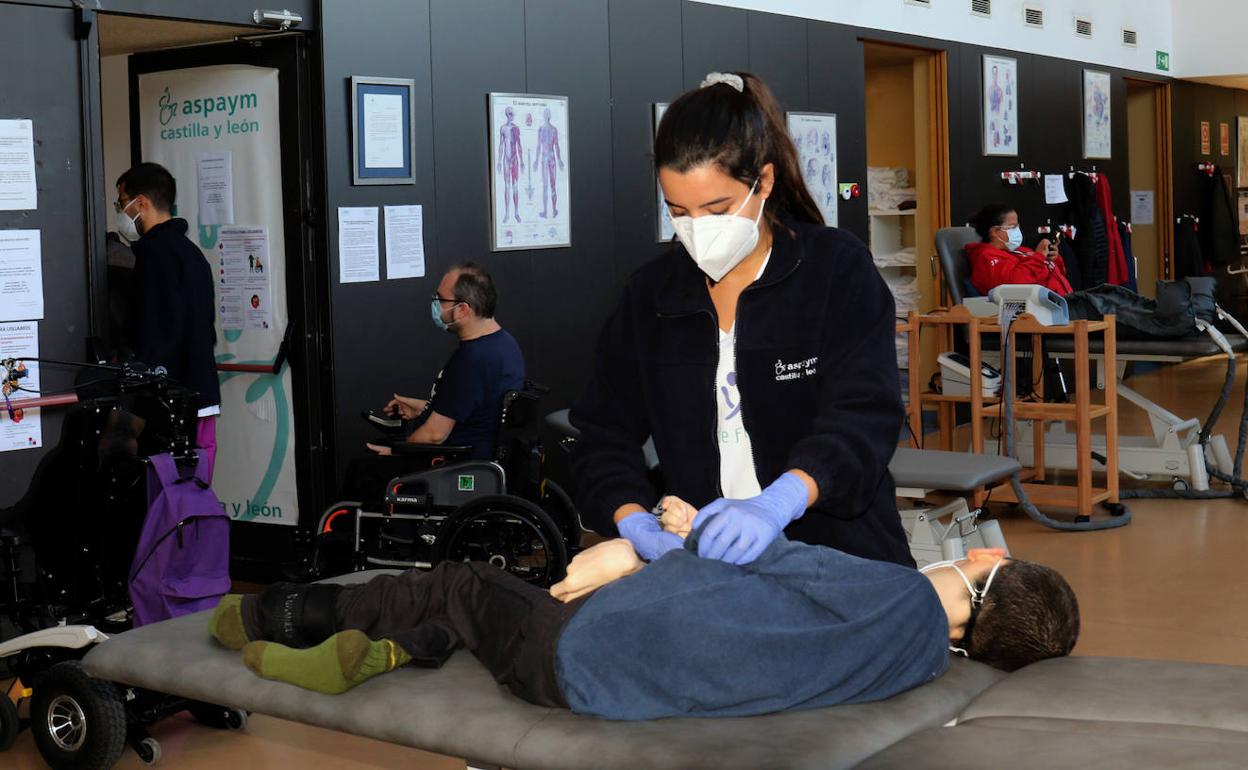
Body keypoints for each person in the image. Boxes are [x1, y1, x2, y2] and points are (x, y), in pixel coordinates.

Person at [207, 506, 1079, 719]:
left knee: (464, 583)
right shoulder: (921, 665)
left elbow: (760, 548)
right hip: (604, 688)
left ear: (989, 561)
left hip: (590, 650)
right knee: (485, 624)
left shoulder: (895, 590)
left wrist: (666, 533)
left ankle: (276, 614)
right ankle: (379, 656)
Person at [570, 71, 912, 568]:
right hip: (708, 564)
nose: (697, 229)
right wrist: (632, 519)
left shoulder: (833, 270)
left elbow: (863, 416)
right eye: (678, 211)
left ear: (764, 181)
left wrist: (779, 502)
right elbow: (603, 433)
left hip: (838, 555)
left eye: (717, 209)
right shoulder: (653, 296)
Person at [116, 162, 221, 476]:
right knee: (194, 486)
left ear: (141, 203)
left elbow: (154, 330)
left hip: (170, 400)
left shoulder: (153, 255)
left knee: (165, 488)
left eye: (122, 204)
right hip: (201, 390)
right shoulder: (191, 252)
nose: (120, 212)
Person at [368, 263, 524, 460]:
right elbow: (474, 409)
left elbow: (434, 435)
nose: (435, 304)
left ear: (462, 310)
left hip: (460, 465)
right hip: (480, 458)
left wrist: (395, 453)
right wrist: (424, 408)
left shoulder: (472, 360)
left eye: (441, 299)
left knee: (367, 465)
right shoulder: (504, 344)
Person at [965, 204, 1073, 296]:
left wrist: (1052, 258)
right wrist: (1039, 257)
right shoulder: (986, 257)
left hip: (1064, 300)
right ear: (994, 232)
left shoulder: (1020, 250)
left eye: (1017, 226)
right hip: (1036, 310)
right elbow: (1014, 283)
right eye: (1012, 227)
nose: (1017, 230)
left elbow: (1056, 274)